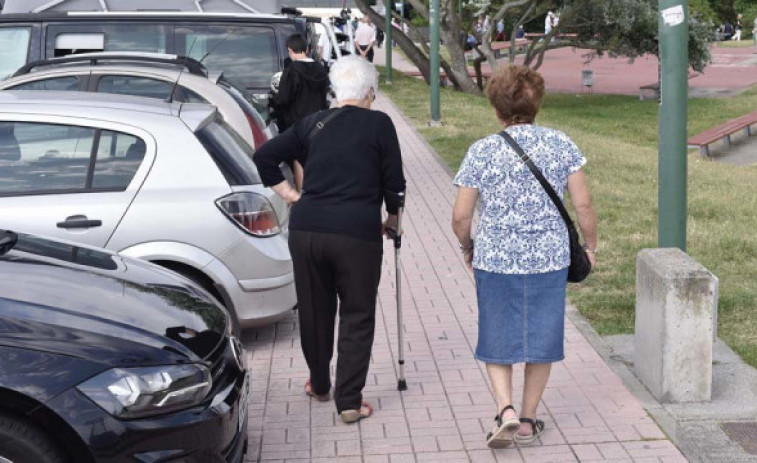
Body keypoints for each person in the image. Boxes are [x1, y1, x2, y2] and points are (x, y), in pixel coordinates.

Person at [253, 56, 406, 424]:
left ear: (336, 91)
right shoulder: (379, 123)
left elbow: (264, 156)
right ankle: (349, 401)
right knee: (357, 314)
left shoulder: (312, 123)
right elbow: (394, 183)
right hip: (356, 233)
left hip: (307, 230)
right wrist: (392, 219)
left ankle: (320, 385)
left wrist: (290, 195)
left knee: (315, 310)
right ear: (370, 91)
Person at [451, 65, 597, 449]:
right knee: (542, 337)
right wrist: (591, 247)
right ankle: (530, 419)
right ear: (538, 105)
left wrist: (469, 245)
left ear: (496, 109)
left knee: (497, 334)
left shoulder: (481, 151)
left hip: (496, 258)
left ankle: (506, 410)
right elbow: (583, 205)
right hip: (549, 259)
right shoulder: (561, 144)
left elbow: (461, 215)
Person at [270, 34, 330, 132]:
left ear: (289, 50)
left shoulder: (291, 71)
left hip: (296, 126)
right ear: (307, 49)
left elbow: (283, 98)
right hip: (317, 124)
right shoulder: (321, 69)